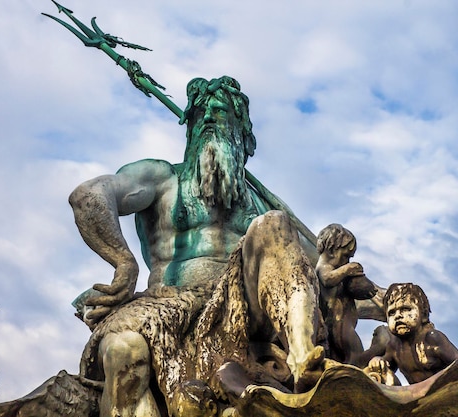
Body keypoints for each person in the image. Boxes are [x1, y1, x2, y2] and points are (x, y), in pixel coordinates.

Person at [69, 76, 327, 417]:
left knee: (274, 224)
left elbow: (319, 273)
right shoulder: (162, 179)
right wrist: (122, 262)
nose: (206, 121)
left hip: (241, 311)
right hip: (167, 303)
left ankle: (302, 356)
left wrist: (359, 277)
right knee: (123, 350)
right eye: (199, 116)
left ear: (244, 138)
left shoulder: (261, 206)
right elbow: (89, 196)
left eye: (219, 116)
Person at [315, 224, 384, 367]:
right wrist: (347, 269)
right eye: (346, 256)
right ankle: (380, 347)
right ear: (332, 250)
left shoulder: (337, 270)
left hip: (344, 322)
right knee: (355, 353)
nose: (347, 261)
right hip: (337, 323)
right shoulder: (324, 267)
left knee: (350, 354)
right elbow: (327, 279)